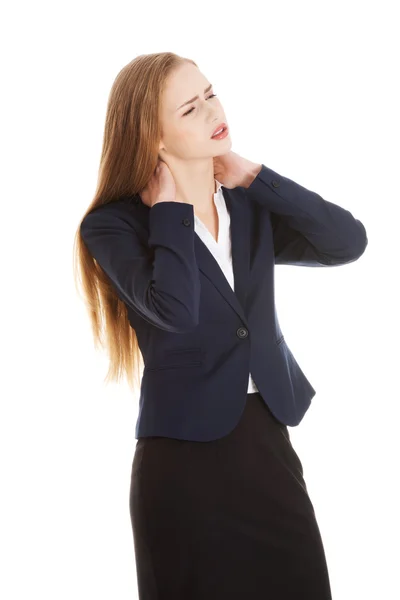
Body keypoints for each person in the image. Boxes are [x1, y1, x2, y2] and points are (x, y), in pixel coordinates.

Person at [74, 52, 368, 599]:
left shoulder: (248, 206)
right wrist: (169, 211)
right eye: (190, 107)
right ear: (153, 137)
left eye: (210, 92)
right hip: (182, 463)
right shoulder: (114, 226)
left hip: (265, 440)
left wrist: (255, 176)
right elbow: (176, 311)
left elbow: (347, 243)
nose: (213, 109)